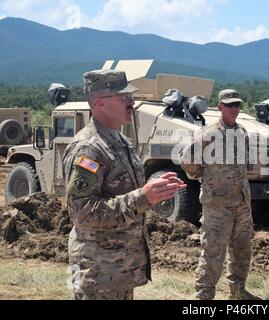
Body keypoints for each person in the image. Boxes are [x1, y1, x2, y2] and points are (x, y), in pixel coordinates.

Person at [62, 70, 186, 300]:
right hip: (97, 273)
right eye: (123, 97)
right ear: (99, 103)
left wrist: (152, 188)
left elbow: (125, 191)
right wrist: (143, 197)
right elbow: (82, 212)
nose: (132, 102)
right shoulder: (88, 149)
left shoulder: (120, 142)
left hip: (119, 269)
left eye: (131, 96)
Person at [179, 89, 257, 300]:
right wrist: (207, 178)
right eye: (229, 105)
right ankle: (203, 296)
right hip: (217, 206)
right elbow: (188, 161)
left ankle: (238, 290)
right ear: (219, 106)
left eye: (237, 105)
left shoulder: (242, 133)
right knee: (213, 252)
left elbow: (247, 165)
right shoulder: (207, 134)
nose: (234, 109)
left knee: (242, 249)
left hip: (241, 203)